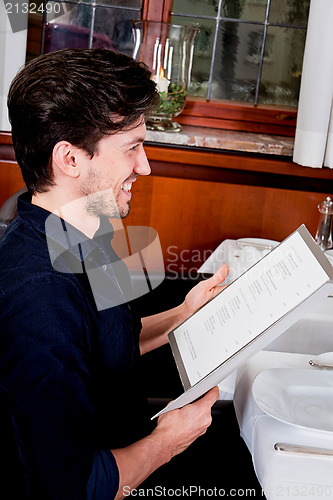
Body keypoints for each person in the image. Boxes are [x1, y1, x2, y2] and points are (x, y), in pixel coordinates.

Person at [0, 48, 229, 499]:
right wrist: (169, 441)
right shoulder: (39, 299)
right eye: (132, 148)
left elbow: (109, 342)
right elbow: (71, 488)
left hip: (134, 434)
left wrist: (183, 313)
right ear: (69, 159)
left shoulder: (87, 222)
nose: (144, 166)